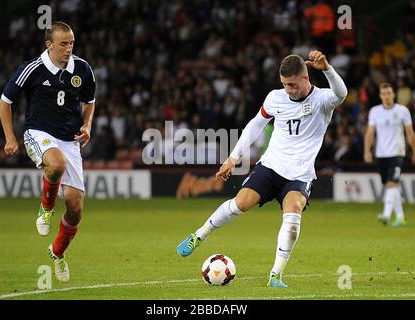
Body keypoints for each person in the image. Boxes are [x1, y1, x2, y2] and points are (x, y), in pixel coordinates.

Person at [177, 51, 347, 288]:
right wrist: (233, 158)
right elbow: (255, 125)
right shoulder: (275, 98)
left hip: (299, 174)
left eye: (292, 85)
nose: (288, 90)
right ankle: (199, 235)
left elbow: (342, 93)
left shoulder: (322, 100)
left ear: (305, 78)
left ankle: (275, 275)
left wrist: (327, 69)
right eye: (284, 85)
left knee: (293, 210)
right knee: (241, 203)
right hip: (271, 165)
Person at [0, 21, 96, 281]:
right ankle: (46, 207)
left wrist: (87, 124)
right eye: (63, 44)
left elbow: (90, 101)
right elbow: (5, 102)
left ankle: (57, 252)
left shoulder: (83, 69)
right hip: (38, 133)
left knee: (75, 208)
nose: (68, 48)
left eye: (72, 43)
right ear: (49, 44)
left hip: (70, 140)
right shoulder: (32, 69)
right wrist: (10, 137)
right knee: (56, 164)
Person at [364, 83, 415, 227]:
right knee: (391, 186)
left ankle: (386, 214)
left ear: (393, 94)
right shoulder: (375, 111)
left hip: (397, 153)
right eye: (384, 93)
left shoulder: (403, 111)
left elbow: (410, 133)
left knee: (392, 183)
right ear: (380, 96)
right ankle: (400, 217)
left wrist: (414, 151)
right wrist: (367, 151)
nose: (387, 96)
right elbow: (370, 133)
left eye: (389, 93)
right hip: (381, 154)